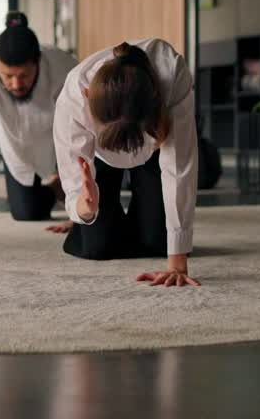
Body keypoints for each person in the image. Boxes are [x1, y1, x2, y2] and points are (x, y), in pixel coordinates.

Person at [53, 39, 200, 287]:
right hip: (98, 159)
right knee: (98, 246)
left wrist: (177, 262)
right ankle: (117, 223)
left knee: (157, 243)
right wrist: (83, 204)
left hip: (154, 146)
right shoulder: (73, 97)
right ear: (87, 97)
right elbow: (73, 177)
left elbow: (179, 166)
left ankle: (142, 223)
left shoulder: (171, 75)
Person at [0, 12, 78, 222]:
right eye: (8, 76)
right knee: (26, 213)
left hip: (59, 144)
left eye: (24, 76)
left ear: (38, 61)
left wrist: (79, 214)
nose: (16, 84)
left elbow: (84, 112)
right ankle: (53, 189)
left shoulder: (62, 65)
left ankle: (60, 180)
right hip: (17, 148)